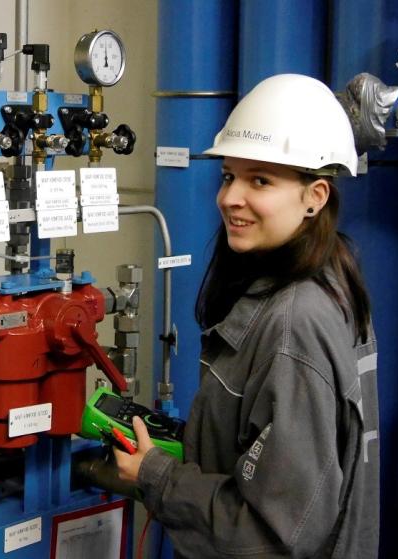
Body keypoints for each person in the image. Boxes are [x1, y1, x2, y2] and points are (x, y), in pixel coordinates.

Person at [115, 74, 380, 558]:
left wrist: (155, 476)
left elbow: (272, 534)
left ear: (314, 197)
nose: (230, 197)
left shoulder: (294, 322)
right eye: (228, 176)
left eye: (260, 179)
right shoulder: (326, 276)